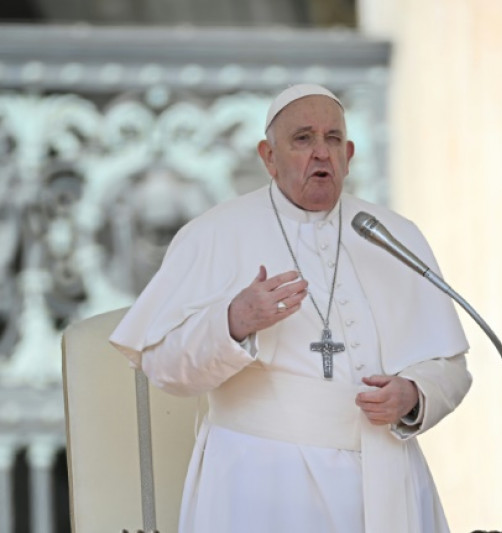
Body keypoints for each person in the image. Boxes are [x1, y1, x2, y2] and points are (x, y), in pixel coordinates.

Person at [110, 84, 472, 533]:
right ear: (269, 156)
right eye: (303, 139)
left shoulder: (392, 235)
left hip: (384, 480)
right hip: (257, 483)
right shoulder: (215, 233)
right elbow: (163, 367)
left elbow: (451, 367)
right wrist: (233, 322)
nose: (321, 153)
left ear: (350, 153)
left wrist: (415, 396)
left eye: (333, 139)